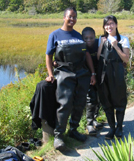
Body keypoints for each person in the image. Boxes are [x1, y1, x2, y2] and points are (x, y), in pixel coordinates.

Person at [45, 7, 96, 151]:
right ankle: (59, 136)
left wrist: (92, 73)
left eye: (75, 17)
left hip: (81, 73)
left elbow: (86, 55)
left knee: (80, 102)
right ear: (64, 17)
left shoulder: (78, 35)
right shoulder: (54, 35)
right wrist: (50, 74)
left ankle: (73, 130)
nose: (72, 19)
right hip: (64, 72)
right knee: (65, 103)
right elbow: (48, 56)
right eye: (70, 16)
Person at [97, 15, 130, 140]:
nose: (108, 26)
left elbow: (126, 59)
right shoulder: (101, 38)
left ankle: (119, 127)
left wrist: (116, 46)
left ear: (116, 24)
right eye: (106, 24)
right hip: (104, 72)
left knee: (120, 99)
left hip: (117, 72)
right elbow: (98, 57)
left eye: (111, 23)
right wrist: (101, 44)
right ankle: (111, 128)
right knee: (106, 99)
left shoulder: (123, 39)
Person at [82, 27, 103, 136]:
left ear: (95, 37)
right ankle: (89, 123)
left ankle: (94, 118)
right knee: (91, 98)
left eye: (91, 37)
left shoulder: (98, 43)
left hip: (98, 73)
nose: (88, 40)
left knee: (98, 97)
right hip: (87, 75)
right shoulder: (81, 46)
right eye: (86, 38)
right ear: (82, 38)